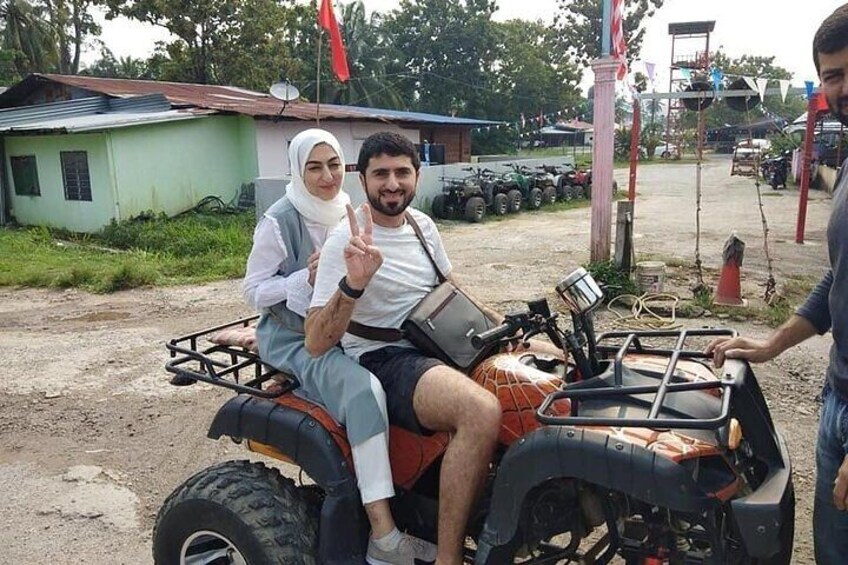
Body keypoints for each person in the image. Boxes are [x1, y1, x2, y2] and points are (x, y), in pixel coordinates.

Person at [305, 131, 563, 565]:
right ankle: (449, 559)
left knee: (553, 372)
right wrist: (354, 283)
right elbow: (314, 340)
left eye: (401, 172)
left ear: (417, 175)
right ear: (363, 180)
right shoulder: (345, 242)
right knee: (480, 411)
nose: (392, 183)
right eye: (380, 174)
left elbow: (450, 285)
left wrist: (505, 326)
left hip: (439, 341)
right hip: (386, 357)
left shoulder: (422, 225)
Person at [242, 128, 436, 565]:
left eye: (333, 165)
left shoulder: (348, 210)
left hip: (346, 327)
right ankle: (384, 535)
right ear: (297, 170)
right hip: (294, 334)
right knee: (365, 390)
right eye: (314, 167)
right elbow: (252, 290)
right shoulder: (280, 219)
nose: (327, 176)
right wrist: (303, 279)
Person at [706, 5, 848, 564]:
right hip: (838, 399)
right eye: (833, 74)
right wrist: (770, 345)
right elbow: (838, 277)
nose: (843, 86)